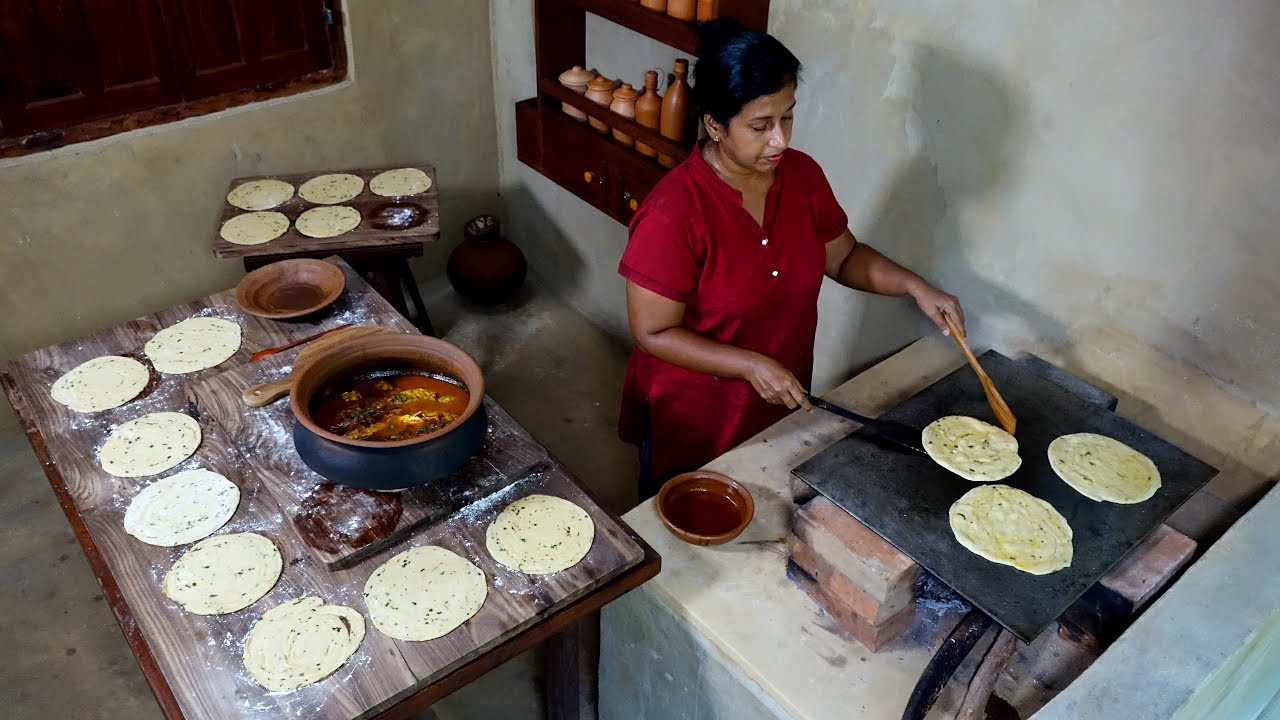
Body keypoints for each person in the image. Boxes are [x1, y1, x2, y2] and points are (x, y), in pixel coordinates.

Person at [617, 18, 965, 502]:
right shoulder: (674, 213)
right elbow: (653, 332)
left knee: (763, 509)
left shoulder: (801, 177)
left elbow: (843, 259)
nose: (780, 140)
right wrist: (751, 365)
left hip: (778, 394)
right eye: (760, 126)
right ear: (715, 125)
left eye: (788, 117)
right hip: (699, 412)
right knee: (684, 520)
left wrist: (914, 286)